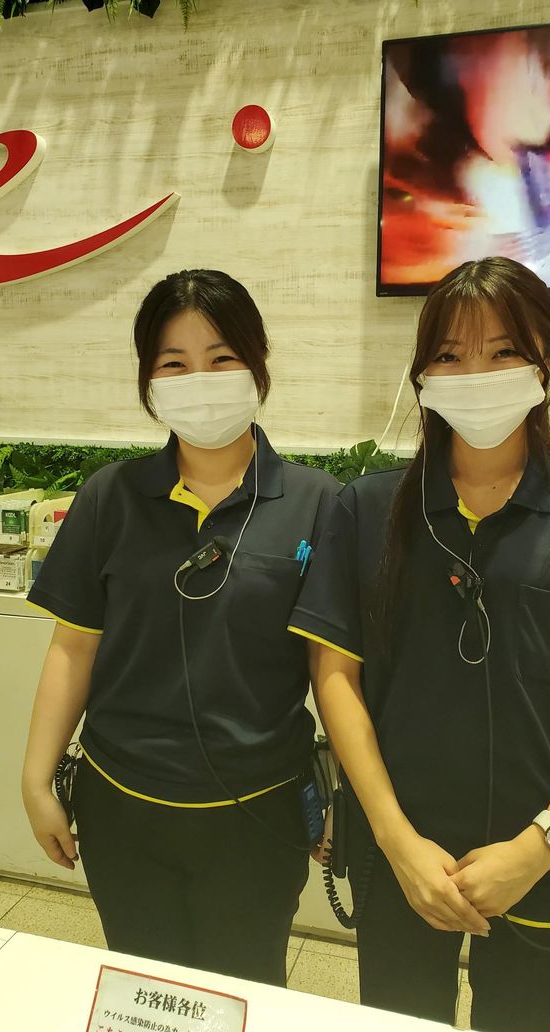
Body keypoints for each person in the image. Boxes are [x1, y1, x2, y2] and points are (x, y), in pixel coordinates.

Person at [289, 257, 550, 1032]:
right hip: (401, 859)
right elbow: (335, 676)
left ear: (544, 366)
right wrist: (398, 842)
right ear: (422, 375)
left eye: (504, 351)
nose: (477, 374)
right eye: (450, 354)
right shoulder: (366, 510)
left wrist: (538, 848)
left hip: (549, 865)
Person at [22, 269, 338, 985]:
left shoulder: (318, 502)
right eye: (174, 363)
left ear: (258, 365)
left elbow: (333, 671)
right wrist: (36, 778)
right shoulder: (110, 495)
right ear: (148, 380)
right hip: (122, 805)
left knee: (243, 992)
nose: (200, 380)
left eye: (222, 358)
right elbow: (73, 647)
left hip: (258, 811)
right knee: (145, 995)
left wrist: (341, 795)